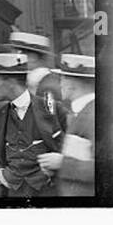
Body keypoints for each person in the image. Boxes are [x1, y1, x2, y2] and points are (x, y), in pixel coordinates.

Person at [0, 51, 64, 200]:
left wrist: (58, 164)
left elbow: (70, 151)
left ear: (11, 82)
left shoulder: (52, 109)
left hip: (48, 193)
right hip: (12, 193)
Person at [37, 54, 95, 197]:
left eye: (62, 79)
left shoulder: (92, 115)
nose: (60, 84)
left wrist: (61, 164)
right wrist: (55, 167)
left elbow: (109, 168)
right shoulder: (81, 111)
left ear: (72, 83)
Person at [0, 31, 68, 127]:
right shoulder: (34, 82)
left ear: (32, 57)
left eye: (15, 55)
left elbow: (51, 125)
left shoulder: (49, 87)